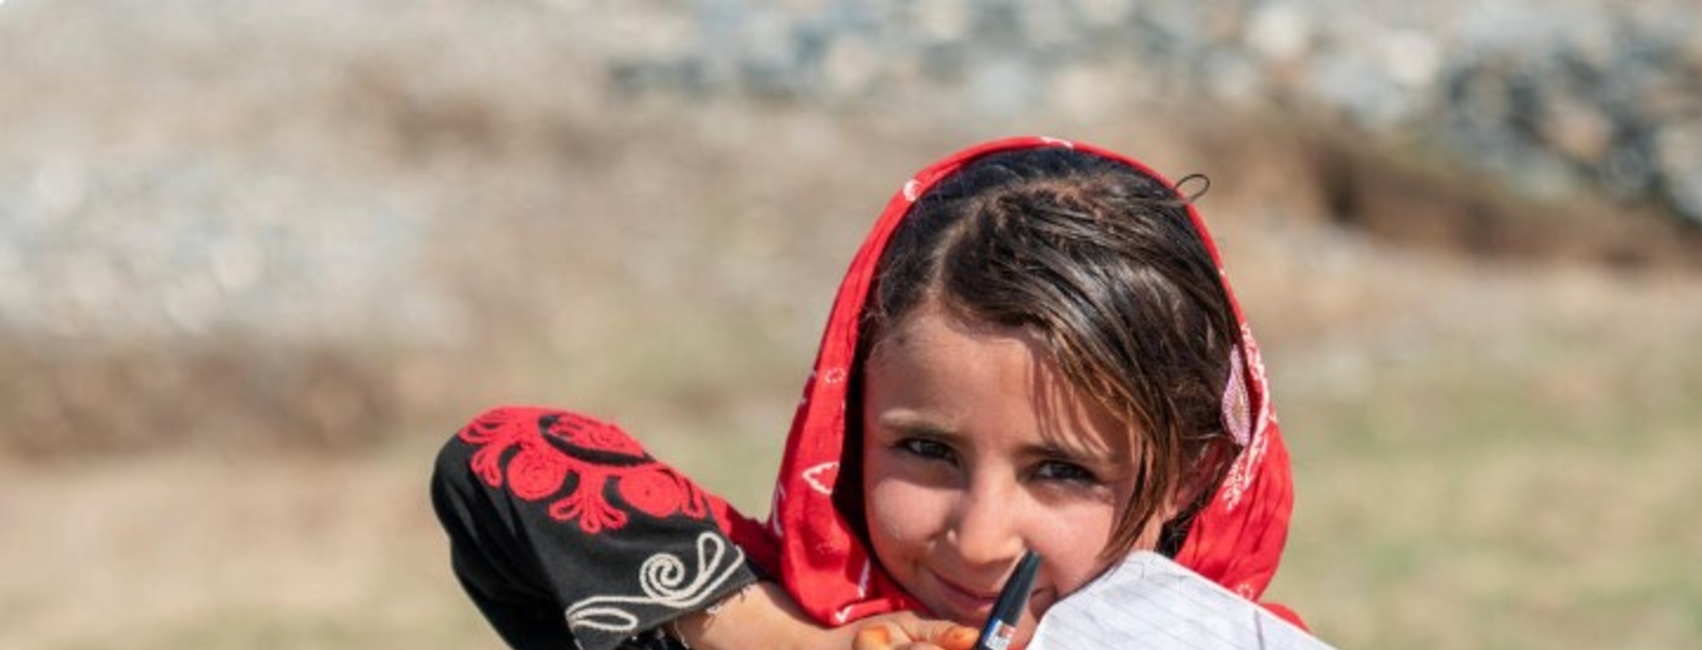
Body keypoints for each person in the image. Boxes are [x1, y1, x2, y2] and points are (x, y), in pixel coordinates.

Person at [431, 136, 1302, 650]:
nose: (979, 536)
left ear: (1193, 472)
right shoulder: (771, 608)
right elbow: (498, 464)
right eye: (926, 449)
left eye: (1063, 471)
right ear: (845, 422)